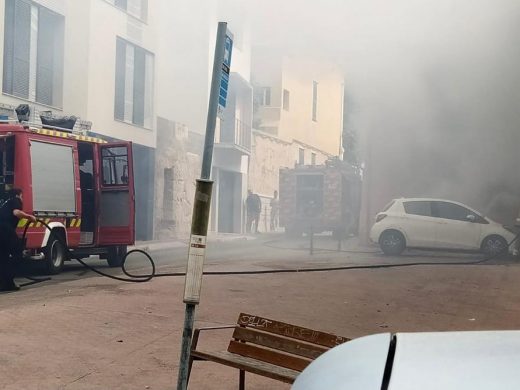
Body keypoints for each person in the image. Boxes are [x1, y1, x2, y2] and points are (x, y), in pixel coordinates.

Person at [0, 188, 36, 291]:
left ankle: (5, 284)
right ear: (18, 195)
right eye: (22, 196)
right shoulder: (16, 201)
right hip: (5, 230)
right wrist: (30, 217)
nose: (22, 199)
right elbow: (16, 213)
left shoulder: (5, 202)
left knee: (3, 258)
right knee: (18, 254)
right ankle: (8, 279)